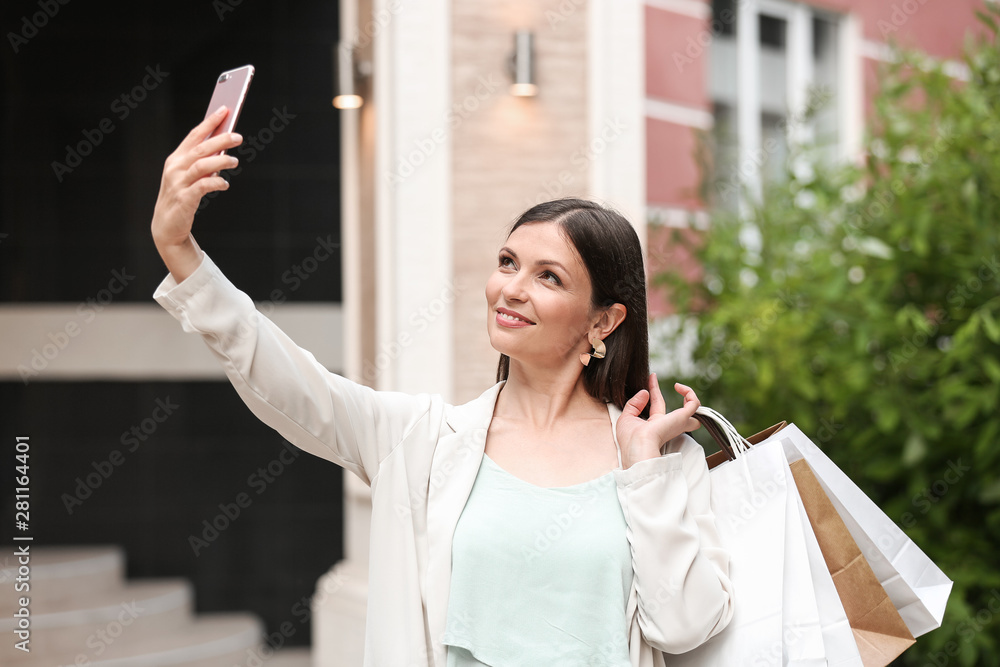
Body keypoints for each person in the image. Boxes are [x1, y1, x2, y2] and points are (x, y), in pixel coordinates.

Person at [150, 106, 735, 667]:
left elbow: (684, 628)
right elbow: (289, 380)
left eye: (547, 276)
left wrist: (643, 473)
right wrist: (181, 252)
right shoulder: (422, 442)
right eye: (508, 262)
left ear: (603, 320)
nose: (511, 288)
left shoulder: (660, 462)